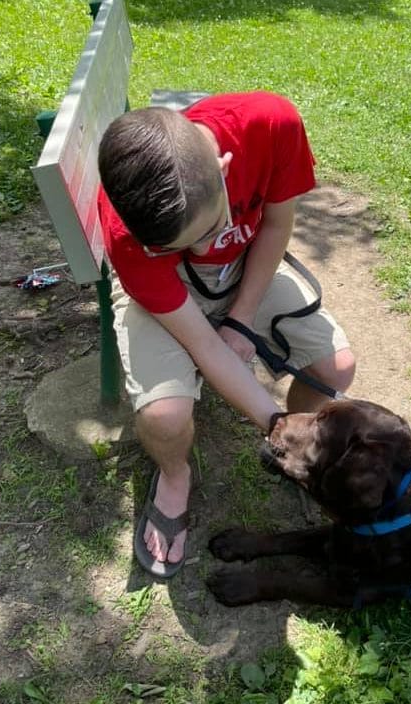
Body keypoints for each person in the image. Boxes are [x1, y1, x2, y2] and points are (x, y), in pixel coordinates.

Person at [97, 91, 356, 577]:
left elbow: (277, 224)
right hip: (171, 295)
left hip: (247, 267)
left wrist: (241, 317)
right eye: (181, 244)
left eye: (207, 229)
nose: (200, 247)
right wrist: (278, 424)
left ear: (224, 166)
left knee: (335, 369)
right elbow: (203, 344)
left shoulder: (273, 124)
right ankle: (175, 476)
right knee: (165, 416)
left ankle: (291, 451)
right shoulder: (129, 230)